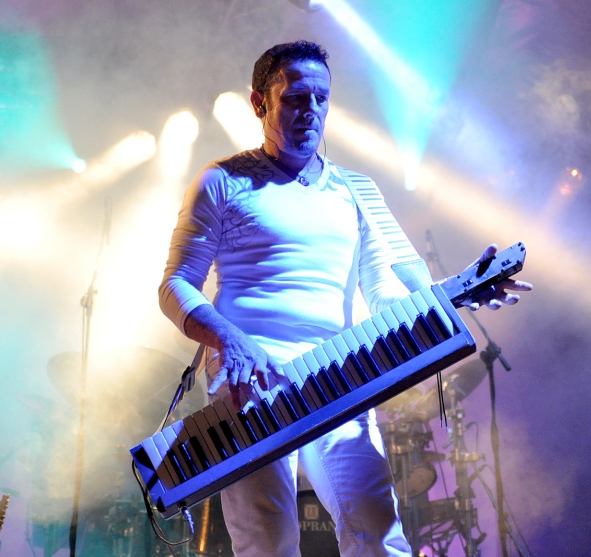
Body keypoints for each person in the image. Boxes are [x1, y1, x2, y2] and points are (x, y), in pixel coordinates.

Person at [158, 40, 531, 557]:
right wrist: (229, 340)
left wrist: (459, 292)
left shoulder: (357, 190)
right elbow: (175, 285)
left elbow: (391, 293)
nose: (310, 111)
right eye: (295, 99)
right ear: (259, 103)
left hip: (337, 373)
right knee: (267, 542)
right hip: (250, 378)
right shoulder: (222, 180)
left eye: (321, 99)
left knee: (377, 534)